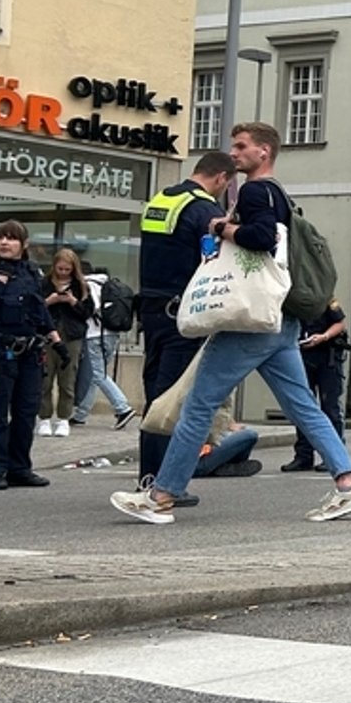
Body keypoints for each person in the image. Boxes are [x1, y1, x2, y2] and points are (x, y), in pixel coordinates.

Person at [109, 122, 351, 525]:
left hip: (249, 323)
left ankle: (161, 495)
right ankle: (349, 483)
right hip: (279, 320)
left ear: (263, 152)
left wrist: (221, 227)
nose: (234, 153)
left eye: (241, 146)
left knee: (198, 405)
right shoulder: (279, 192)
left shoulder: (253, 190)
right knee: (304, 406)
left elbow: (261, 237)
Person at [133, 151, 232, 486]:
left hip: (152, 309)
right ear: (221, 178)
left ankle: (148, 474)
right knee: (175, 398)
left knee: (155, 396)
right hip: (182, 315)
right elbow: (213, 261)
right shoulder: (205, 208)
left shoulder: (162, 199)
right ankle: (162, 482)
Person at [0, 221, 59, 490]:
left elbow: (39, 310)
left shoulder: (31, 272)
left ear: (24, 244)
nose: (4, 242)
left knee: (26, 411)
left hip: (29, 352)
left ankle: (19, 468)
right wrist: (1, 278)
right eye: (0, 238)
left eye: (11, 238)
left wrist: (55, 339)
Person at [284, 297, 349, 473]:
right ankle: (303, 456)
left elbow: (340, 323)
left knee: (330, 407)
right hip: (301, 356)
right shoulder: (292, 299)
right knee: (303, 407)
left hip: (327, 356)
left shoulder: (325, 296)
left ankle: (333, 457)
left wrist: (324, 336)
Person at [37, 248, 94, 437]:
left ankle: (63, 418)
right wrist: (49, 301)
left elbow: (87, 312)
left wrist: (73, 301)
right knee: (44, 379)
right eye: (60, 269)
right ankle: (44, 418)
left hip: (71, 336)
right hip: (47, 335)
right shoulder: (44, 283)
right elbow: (34, 308)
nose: (62, 273)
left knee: (67, 380)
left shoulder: (81, 285)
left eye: (66, 270)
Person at [75, 265, 134, 428]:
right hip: (112, 334)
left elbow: (91, 308)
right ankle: (81, 413)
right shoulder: (108, 285)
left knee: (98, 374)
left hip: (95, 335)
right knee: (97, 376)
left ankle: (123, 408)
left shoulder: (88, 284)